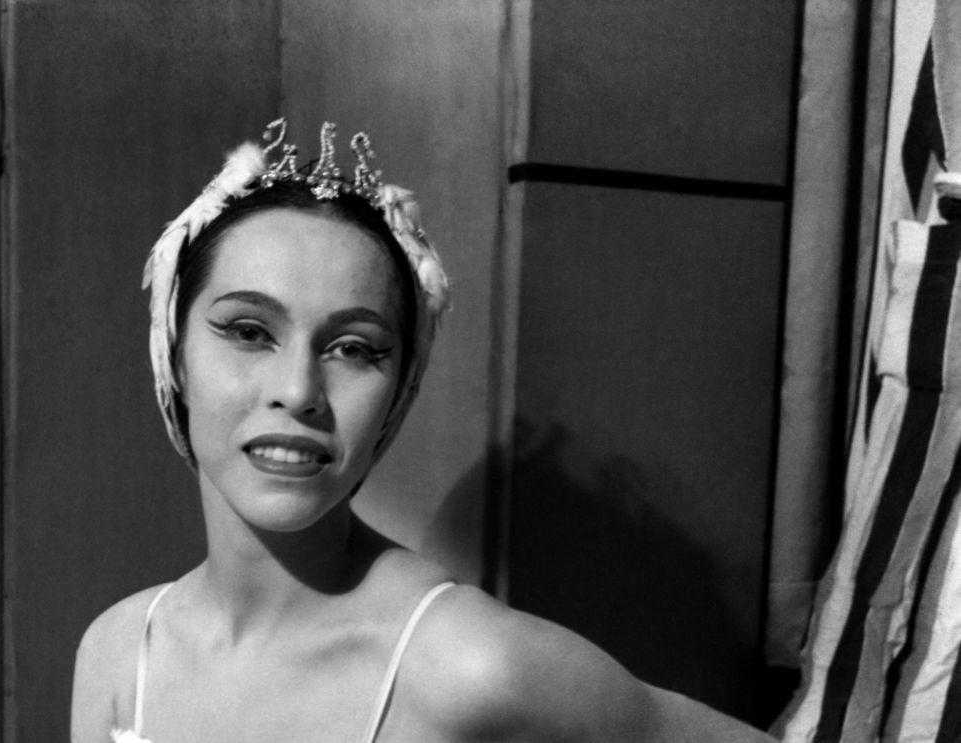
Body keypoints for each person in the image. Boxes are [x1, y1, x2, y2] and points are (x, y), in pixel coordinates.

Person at [71, 119, 774, 743]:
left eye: (353, 348)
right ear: (174, 352)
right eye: (250, 331)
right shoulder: (118, 650)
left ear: (400, 389)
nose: (299, 391)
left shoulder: (466, 664)